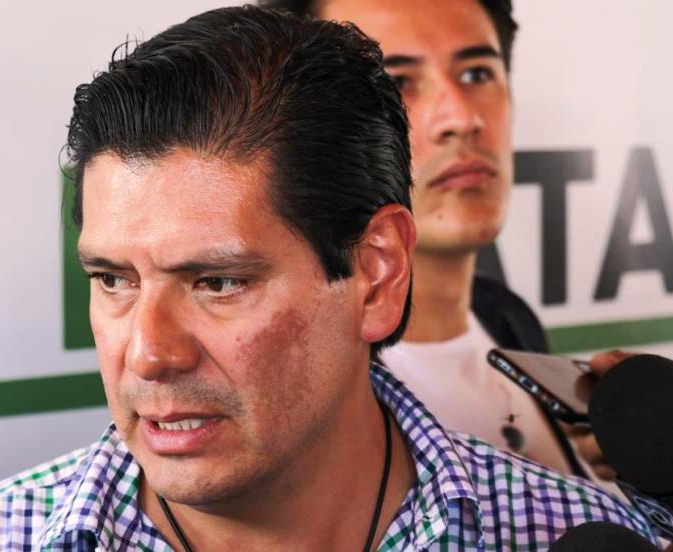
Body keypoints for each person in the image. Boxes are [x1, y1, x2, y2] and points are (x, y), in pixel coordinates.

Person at [0, 6, 656, 551]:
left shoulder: (566, 532)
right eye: (113, 279)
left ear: (376, 274)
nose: (149, 354)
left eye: (218, 283)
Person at [261, 0, 620, 480]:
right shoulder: (301, 393)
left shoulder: (506, 317)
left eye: (476, 74)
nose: (462, 118)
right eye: (394, 84)